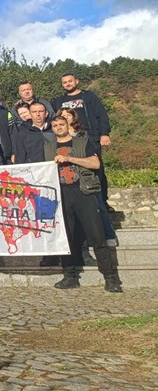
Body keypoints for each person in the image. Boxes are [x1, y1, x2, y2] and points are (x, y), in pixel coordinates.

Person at [45, 116, 122, 293]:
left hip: (84, 193)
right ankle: (70, 276)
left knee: (98, 236)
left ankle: (110, 278)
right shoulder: (47, 148)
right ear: (52, 128)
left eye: (61, 124)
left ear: (68, 126)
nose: (58, 127)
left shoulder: (83, 142)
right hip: (61, 196)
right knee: (66, 238)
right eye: (55, 125)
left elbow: (95, 163)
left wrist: (70, 159)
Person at [52, 73, 113, 211]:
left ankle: (102, 201)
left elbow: (101, 115)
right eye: (65, 82)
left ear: (76, 81)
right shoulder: (59, 100)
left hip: (90, 136)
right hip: (69, 138)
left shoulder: (88, 96)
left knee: (97, 169)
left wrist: (104, 133)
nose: (68, 84)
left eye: (70, 81)